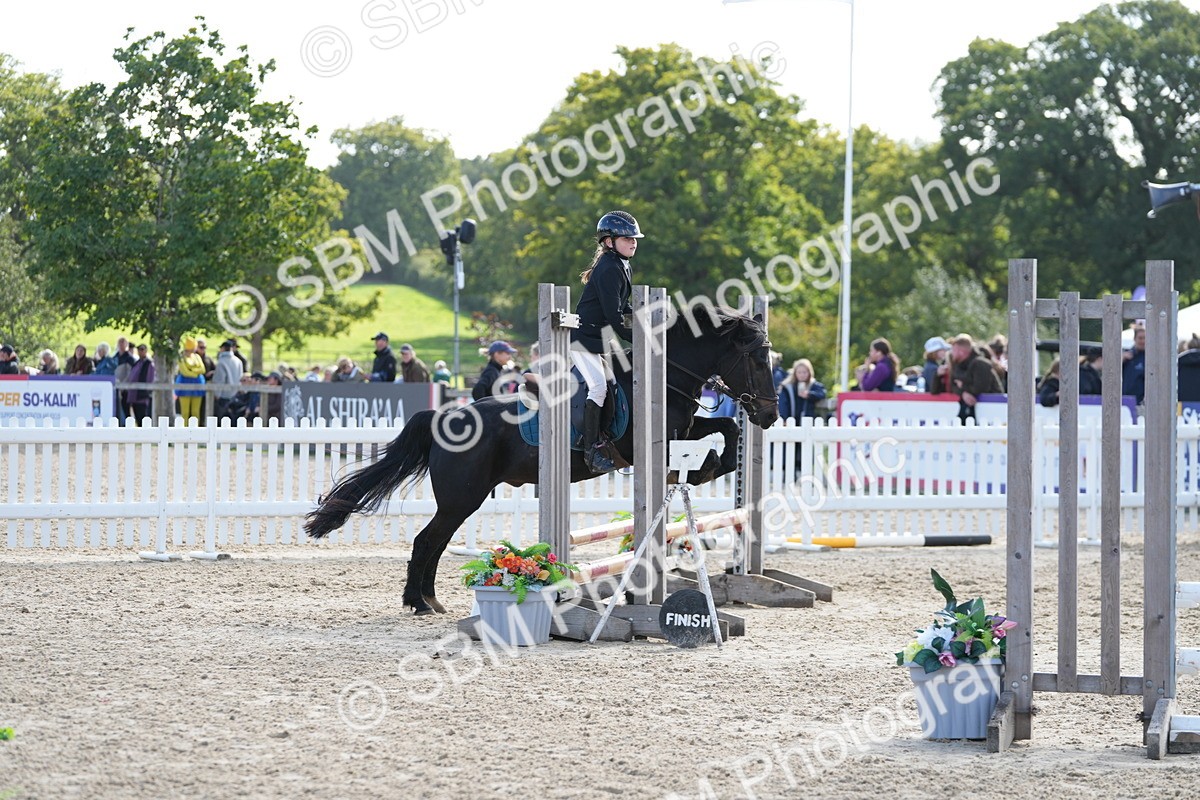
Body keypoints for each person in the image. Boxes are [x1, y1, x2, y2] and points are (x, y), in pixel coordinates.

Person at [570, 210, 641, 473]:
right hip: (583, 341)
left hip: (598, 340)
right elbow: (615, 317)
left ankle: (602, 437)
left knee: (612, 385)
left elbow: (624, 307)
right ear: (609, 242)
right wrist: (638, 339)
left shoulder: (622, 264)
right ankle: (591, 450)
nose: (633, 242)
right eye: (627, 238)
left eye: (634, 238)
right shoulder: (609, 268)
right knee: (598, 388)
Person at [931, 334, 1004, 421]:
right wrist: (963, 392)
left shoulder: (980, 363)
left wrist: (963, 386)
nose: (951, 352)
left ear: (961, 351)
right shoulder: (958, 365)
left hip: (992, 412)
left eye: (953, 349)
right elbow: (953, 386)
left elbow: (980, 388)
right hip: (974, 412)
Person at [175, 337, 207, 423]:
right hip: (184, 386)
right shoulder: (181, 357)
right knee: (185, 412)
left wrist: (192, 371)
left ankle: (195, 431)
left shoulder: (196, 356)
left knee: (195, 412)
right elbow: (185, 372)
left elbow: (203, 369)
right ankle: (184, 431)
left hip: (198, 386)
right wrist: (196, 373)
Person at [212, 339, 244, 421]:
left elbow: (219, 380)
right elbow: (240, 378)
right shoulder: (238, 361)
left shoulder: (221, 362)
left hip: (223, 396)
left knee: (220, 421)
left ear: (223, 348)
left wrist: (217, 395)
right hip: (235, 394)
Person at [126, 344, 155, 425]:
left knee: (144, 419)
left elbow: (150, 378)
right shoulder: (137, 363)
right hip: (134, 396)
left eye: (142, 349)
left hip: (142, 397)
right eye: (139, 349)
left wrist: (146, 392)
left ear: (146, 351)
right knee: (137, 419)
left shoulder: (149, 364)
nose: (140, 351)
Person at [1122, 325, 1146, 404]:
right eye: (1140, 338)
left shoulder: (1152, 358)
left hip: (1142, 402)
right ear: (1134, 339)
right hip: (1124, 401)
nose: (1142, 341)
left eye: (1144, 338)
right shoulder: (1126, 356)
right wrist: (1120, 360)